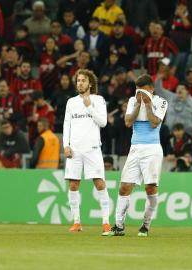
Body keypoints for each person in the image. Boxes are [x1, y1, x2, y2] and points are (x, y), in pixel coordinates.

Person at [109, 74, 168, 237]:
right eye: (137, 90)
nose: (139, 93)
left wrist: (148, 105)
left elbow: (155, 123)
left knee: (150, 188)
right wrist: (138, 105)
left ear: (151, 89)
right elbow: (128, 122)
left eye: (142, 90)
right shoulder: (132, 101)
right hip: (135, 149)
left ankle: (146, 225)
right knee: (124, 187)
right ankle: (119, 226)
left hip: (152, 149)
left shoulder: (161, 102)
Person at [63, 69, 110, 234]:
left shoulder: (98, 100)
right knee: (73, 184)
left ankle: (106, 223)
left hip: (92, 149)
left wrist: (89, 107)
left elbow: (103, 122)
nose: (80, 83)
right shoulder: (71, 102)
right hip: (74, 150)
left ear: (90, 83)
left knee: (99, 183)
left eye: (83, 80)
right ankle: (76, 222)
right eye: (78, 80)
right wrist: (66, 145)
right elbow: (66, 124)